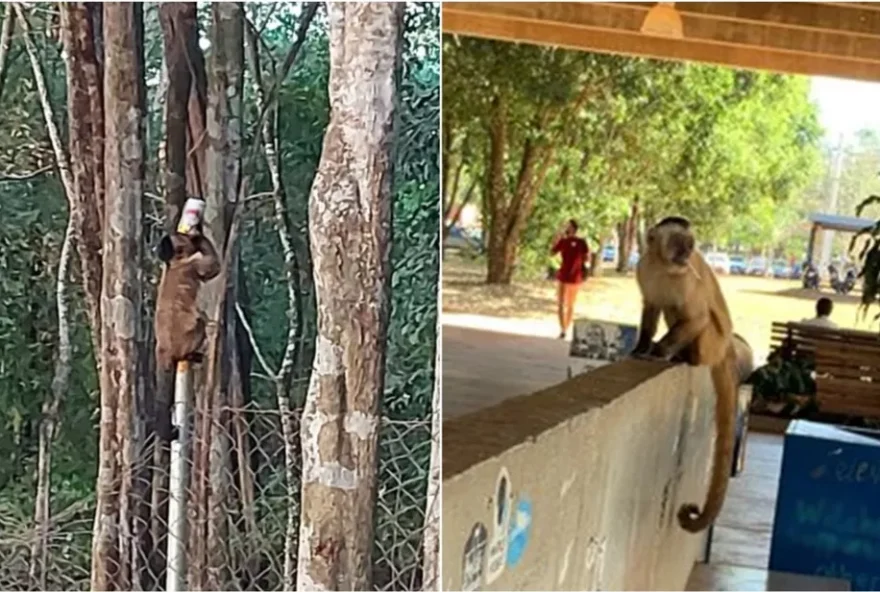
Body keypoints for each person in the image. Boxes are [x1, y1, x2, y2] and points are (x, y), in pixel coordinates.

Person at [550, 219, 589, 339]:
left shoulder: (581, 242)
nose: (567, 228)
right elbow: (552, 253)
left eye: (569, 226)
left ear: (574, 228)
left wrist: (584, 269)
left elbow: (587, 258)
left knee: (570, 304)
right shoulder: (563, 241)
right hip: (563, 275)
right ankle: (562, 329)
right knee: (560, 304)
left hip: (575, 277)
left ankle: (566, 327)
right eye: (567, 226)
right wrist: (556, 239)